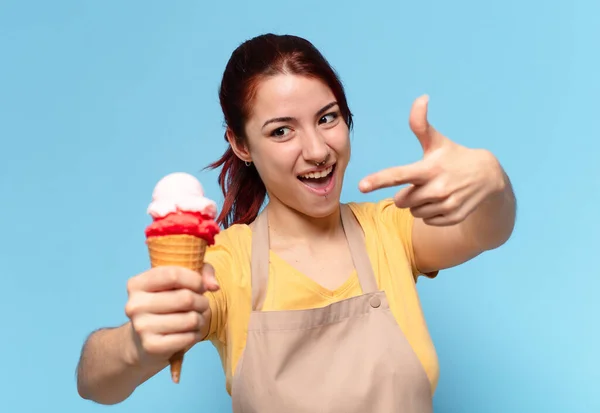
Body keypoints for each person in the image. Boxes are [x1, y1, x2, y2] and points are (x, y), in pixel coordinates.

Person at [76, 33, 516, 412]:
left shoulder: (390, 230)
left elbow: (488, 229)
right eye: (281, 131)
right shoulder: (229, 266)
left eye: (327, 118)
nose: (318, 150)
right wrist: (134, 345)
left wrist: (492, 183)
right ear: (241, 143)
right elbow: (95, 382)